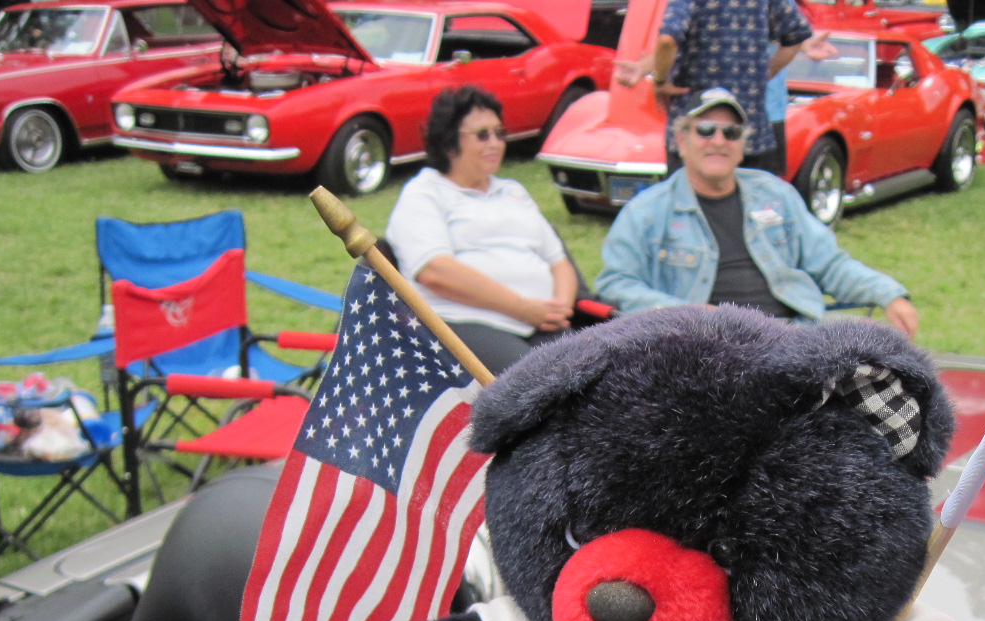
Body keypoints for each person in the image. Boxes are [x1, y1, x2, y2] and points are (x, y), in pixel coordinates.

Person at [595, 89, 919, 339]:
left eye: (731, 132)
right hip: (701, 345)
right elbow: (615, 284)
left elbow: (830, 264)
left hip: (793, 336)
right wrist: (686, 313)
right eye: (705, 130)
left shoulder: (775, 194)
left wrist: (888, 294)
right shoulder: (647, 211)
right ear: (681, 141)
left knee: (880, 401)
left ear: (742, 144)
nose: (718, 141)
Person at [384, 86, 579, 376]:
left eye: (500, 133)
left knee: (598, 377)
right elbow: (435, 271)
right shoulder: (425, 193)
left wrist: (559, 306)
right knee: (538, 384)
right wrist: (521, 308)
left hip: (542, 322)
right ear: (450, 142)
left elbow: (558, 260)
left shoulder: (513, 192)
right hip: (465, 322)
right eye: (482, 135)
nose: (495, 143)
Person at [615, 0, 815, 173]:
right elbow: (796, 35)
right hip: (750, 135)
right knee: (754, 213)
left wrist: (659, 82)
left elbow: (668, 41)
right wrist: (763, 75)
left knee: (690, 213)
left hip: (697, 135)